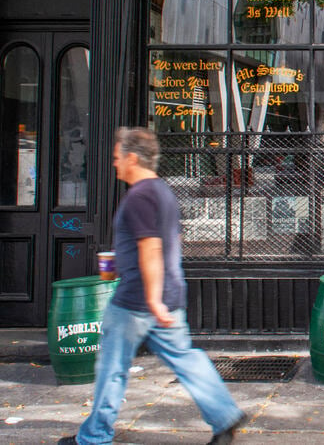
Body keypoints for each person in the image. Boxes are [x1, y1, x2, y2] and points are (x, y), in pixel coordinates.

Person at [59, 127, 247, 445]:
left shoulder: (140, 196)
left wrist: (151, 298)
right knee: (185, 358)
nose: (114, 162)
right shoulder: (162, 192)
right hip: (168, 293)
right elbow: (169, 241)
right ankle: (224, 415)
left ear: (132, 157)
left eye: (118, 156)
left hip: (136, 301)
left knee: (111, 368)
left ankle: (94, 436)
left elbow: (150, 247)